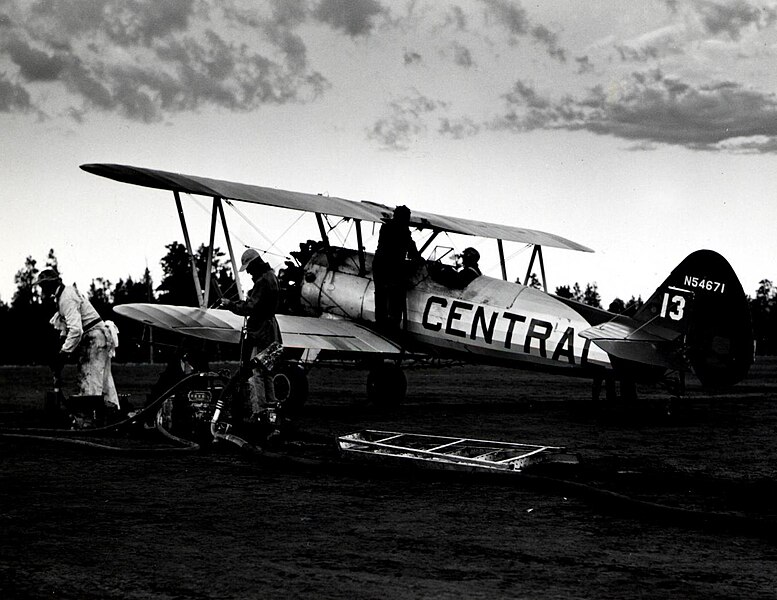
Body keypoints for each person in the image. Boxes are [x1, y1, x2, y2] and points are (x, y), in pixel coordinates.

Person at [34, 269, 120, 410]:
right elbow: (68, 327)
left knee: (90, 379)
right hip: (98, 337)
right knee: (104, 381)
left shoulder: (66, 298)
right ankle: (113, 413)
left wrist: (63, 353)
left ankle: (90, 420)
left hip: (94, 338)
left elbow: (76, 329)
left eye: (43, 285)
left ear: (52, 283)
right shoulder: (64, 295)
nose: (41, 288)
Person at [220, 249, 283, 418]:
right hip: (272, 331)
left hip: (261, 332)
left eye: (248, 267)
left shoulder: (263, 281)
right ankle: (271, 408)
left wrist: (230, 305)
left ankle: (259, 411)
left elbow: (250, 307)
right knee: (267, 371)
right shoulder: (272, 276)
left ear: (254, 264)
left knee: (256, 373)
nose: (247, 271)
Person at [372, 205, 421, 331]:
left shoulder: (386, 226)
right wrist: (417, 259)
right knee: (395, 296)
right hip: (394, 267)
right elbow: (411, 248)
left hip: (381, 265)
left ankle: (381, 322)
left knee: (381, 294)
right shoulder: (403, 230)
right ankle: (393, 324)